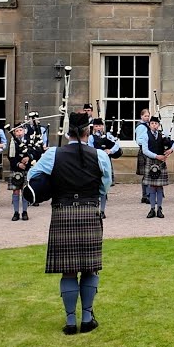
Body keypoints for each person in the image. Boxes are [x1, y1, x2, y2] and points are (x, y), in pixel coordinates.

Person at [24, 111, 113, 335]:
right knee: (90, 269)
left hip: (62, 212)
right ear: (87, 131)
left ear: (68, 132)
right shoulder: (100, 156)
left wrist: (55, 184)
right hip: (90, 212)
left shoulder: (53, 154)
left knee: (68, 271)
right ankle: (87, 318)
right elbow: (105, 186)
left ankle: (71, 322)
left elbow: (32, 178)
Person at [141, 117, 174, 218]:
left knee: (160, 187)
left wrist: (171, 150)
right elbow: (145, 150)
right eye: (152, 123)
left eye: (156, 123)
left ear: (158, 125)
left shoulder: (163, 135)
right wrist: (157, 156)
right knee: (152, 187)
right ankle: (152, 209)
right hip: (151, 161)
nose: (154, 125)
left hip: (161, 163)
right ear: (149, 125)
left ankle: (159, 208)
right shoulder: (145, 135)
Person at [7, 123, 42, 222]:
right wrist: (18, 164)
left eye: (20, 130)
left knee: (25, 191)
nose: (19, 133)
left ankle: (25, 212)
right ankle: (16, 212)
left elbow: (37, 152)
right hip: (16, 169)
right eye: (16, 131)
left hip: (27, 169)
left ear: (24, 131)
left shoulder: (30, 141)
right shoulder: (13, 142)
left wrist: (28, 158)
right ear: (14, 132)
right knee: (16, 191)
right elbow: (10, 156)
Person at [87, 118, 121, 217]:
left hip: (106, 162)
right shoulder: (91, 138)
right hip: (95, 162)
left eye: (100, 126)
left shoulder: (108, 136)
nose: (98, 128)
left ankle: (102, 210)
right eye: (96, 126)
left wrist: (110, 151)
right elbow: (90, 148)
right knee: (95, 186)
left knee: (104, 186)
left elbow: (117, 144)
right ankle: (96, 209)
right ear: (93, 127)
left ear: (103, 126)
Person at [135, 108, 153, 205]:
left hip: (147, 151)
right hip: (144, 151)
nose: (147, 117)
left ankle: (146, 195)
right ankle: (146, 196)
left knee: (148, 174)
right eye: (145, 116)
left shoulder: (148, 125)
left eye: (148, 116)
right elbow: (139, 140)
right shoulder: (141, 127)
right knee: (147, 175)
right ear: (141, 116)